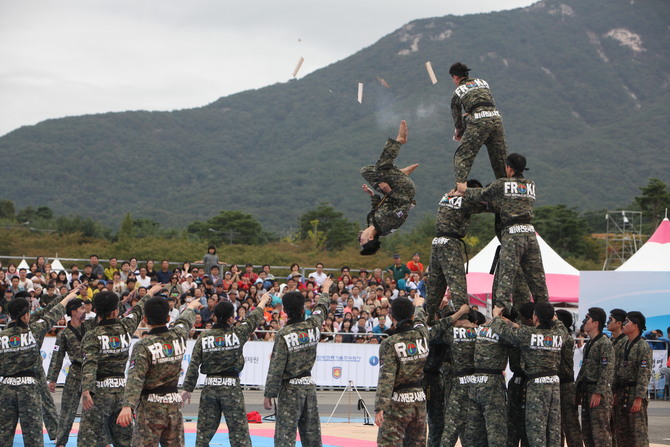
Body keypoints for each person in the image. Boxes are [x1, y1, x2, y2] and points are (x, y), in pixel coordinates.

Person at [456, 153, 548, 312]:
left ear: (509, 168)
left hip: (512, 233)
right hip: (530, 233)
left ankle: (500, 310)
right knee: (537, 278)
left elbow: (482, 194)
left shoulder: (502, 184)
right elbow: (511, 201)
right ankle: (546, 313)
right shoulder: (531, 184)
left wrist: (464, 189)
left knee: (506, 276)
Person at [77, 284, 162, 447]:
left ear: (96, 311)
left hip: (99, 393)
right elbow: (138, 310)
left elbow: (90, 364)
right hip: (121, 392)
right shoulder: (125, 327)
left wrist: (86, 390)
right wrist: (150, 292)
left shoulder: (92, 335)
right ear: (116, 311)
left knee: (89, 440)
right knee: (125, 440)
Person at [182, 292, 271, 447]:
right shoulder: (238, 333)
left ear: (215, 317)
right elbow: (254, 317)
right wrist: (263, 300)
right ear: (231, 318)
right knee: (239, 435)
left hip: (210, 387)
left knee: (203, 435)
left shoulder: (203, 338)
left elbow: (194, 365)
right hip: (231, 388)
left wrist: (187, 389)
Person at [116, 296, 202, 445]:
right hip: (173, 404)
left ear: (145, 319)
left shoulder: (143, 345)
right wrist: (191, 306)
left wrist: (127, 405)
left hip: (150, 407)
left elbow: (135, 378)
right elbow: (184, 321)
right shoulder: (178, 336)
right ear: (168, 318)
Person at [0, 288, 79, 447]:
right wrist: (69, 297)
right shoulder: (34, 330)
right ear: (25, 315)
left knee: (3, 436)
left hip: (6, 388)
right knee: (34, 437)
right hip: (29, 388)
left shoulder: (2, 337)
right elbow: (54, 313)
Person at [263, 277, 333, 447]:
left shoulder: (284, 334)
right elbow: (321, 308)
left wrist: (269, 393)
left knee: (285, 436)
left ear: (285, 311)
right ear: (303, 309)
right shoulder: (314, 325)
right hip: (308, 385)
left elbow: (276, 366)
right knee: (312, 435)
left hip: (290, 389)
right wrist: (325, 290)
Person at [490, 301, 567, 447]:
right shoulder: (559, 335)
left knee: (536, 432)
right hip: (554, 385)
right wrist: (551, 315)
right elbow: (560, 326)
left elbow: (501, 330)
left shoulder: (528, 334)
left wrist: (496, 315)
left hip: (536, 386)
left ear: (535, 318)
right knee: (553, 430)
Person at [426, 180, 486, 318]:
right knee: (457, 283)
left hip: (437, 242)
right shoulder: (464, 201)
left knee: (435, 286)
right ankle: (462, 319)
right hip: (450, 244)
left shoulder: (447, 196)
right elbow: (483, 205)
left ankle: (428, 318)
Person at [375, 295, 429, 446]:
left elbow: (387, 377)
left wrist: (380, 406)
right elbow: (421, 320)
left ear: (391, 316)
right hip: (419, 399)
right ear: (411, 315)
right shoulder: (422, 335)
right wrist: (419, 305)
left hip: (398, 401)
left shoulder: (390, 343)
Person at [359, 120, 418, 255]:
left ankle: (400, 173)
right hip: (404, 191)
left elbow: (377, 208)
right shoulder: (388, 225)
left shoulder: (370, 223)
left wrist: (372, 195)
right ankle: (399, 140)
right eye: (362, 241)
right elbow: (405, 205)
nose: (360, 239)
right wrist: (390, 191)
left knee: (366, 171)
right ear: (370, 238)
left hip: (389, 191)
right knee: (381, 169)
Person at [449, 61, 507, 184]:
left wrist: (459, 131)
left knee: (462, 156)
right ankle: (505, 187)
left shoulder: (458, 91)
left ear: (455, 77)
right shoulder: (483, 83)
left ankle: (460, 188)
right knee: (500, 159)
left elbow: (457, 118)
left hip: (479, 121)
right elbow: (483, 102)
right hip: (496, 118)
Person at [47, 298, 88, 447]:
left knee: (95, 411)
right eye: (82, 309)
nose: (85, 311)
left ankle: (101, 440)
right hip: (75, 373)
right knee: (67, 411)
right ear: (73, 312)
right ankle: (61, 441)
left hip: (91, 374)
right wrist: (52, 379)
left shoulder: (89, 327)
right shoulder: (63, 334)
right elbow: (57, 358)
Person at [612, 311, 653, 447]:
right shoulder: (623, 345)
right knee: (622, 434)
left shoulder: (643, 347)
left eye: (627, 322)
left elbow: (644, 373)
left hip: (635, 393)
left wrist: (639, 398)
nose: (623, 325)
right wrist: (615, 391)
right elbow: (617, 370)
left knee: (638, 434)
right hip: (622, 393)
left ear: (635, 326)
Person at [576, 307, 614, 447]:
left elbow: (606, 371)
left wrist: (598, 393)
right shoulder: (590, 344)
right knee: (587, 433)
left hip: (597, 393)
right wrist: (578, 390)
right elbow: (584, 369)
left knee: (600, 434)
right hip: (587, 390)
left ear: (596, 323)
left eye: (587, 319)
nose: (584, 322)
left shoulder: (604, 343)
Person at [555, 310, 583, 447]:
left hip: (565, 385)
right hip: (556, 384)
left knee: (571, 424)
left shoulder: (565, 337)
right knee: (556, 424)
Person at [607, 308, 627, 447]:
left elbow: (623, 370)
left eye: (611, 320)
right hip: (609, 390)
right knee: (609, 428)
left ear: (619, 323)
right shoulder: (609, 342)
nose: (608, 323)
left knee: (620, 429)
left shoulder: (625, 343)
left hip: (619, 392)